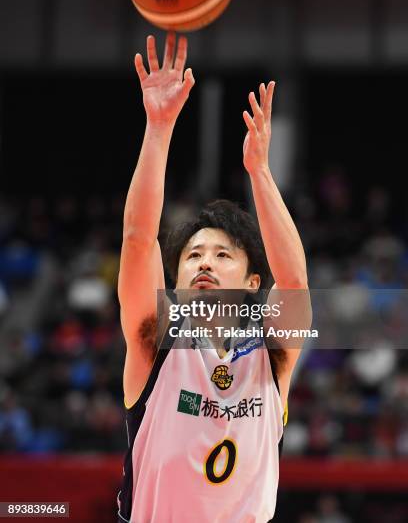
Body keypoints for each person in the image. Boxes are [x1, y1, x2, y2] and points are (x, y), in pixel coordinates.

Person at [117, 33, 311, 523]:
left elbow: (293, 282)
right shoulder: (153, 342)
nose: (204, 262)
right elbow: (139, 239)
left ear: (251, 284)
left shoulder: (273, 354)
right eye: (192, 255)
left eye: (223, 254)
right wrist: (158, 127)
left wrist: (260, 171)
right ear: (176, 281)